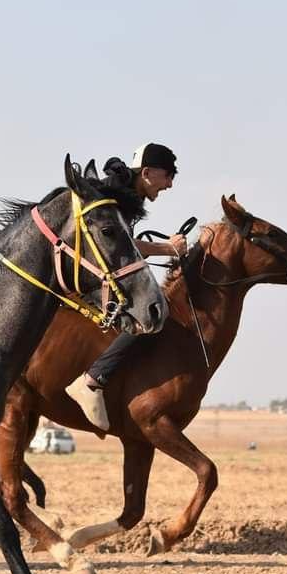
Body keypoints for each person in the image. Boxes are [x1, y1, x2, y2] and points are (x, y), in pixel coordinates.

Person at [65, 142, 186, 431]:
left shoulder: (126, 193)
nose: (169, 184)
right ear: (146, 172)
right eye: (168, 176)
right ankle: (94, 379)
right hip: (83, 275)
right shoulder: (119, 196)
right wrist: (168, 248)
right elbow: (121, 247)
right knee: (149, 313)